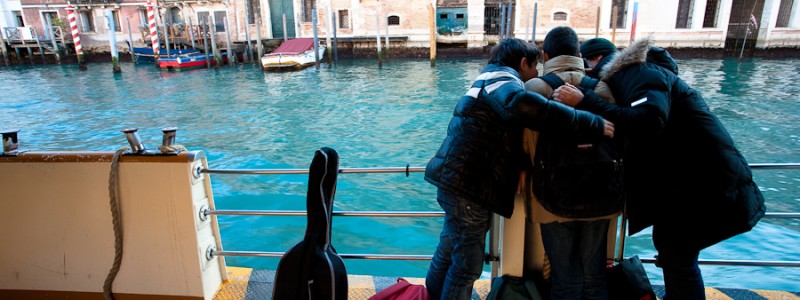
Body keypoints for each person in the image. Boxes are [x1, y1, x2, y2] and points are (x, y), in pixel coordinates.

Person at [553, 37, 766, 300]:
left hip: (701, 183)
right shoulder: (645, 75)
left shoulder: (637, 73)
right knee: (675, 254)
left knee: (677, 255)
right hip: (696, 182)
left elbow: (649, 120)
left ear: (594, 60)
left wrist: (586, 101)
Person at [424, 38, 615, 300]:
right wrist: (587, 121)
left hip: (455, 180)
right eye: (534, 67)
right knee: (466, 266)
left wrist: (521, 163)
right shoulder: (503, 78)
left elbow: (502, 128)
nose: (536, 75)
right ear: (523, 63)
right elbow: (524, 106)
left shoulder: (486, 77)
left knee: (447, 252)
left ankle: (432, 295)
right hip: (468, 185)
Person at [522, 26, 621, 300]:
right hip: (600, 195)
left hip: (552, 198)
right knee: (594, 275)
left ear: (544, 55)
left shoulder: (535, 89)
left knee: (565, 278)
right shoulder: (601, 88)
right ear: (579, 54)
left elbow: (527, 144)